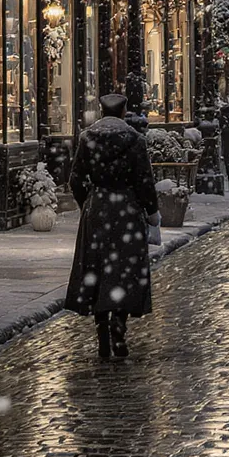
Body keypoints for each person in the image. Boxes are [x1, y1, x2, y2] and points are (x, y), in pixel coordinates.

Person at [66, 91, 159, 360]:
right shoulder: (135, 141)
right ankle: (119, 326)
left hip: (98, 209)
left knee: (96, 265)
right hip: (126, 209)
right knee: (122, 270)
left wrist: (88, 202)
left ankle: (101, 331)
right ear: (123, 112)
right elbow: (144, 181)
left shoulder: (87, 138)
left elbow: (75, 178)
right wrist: (151, 211)